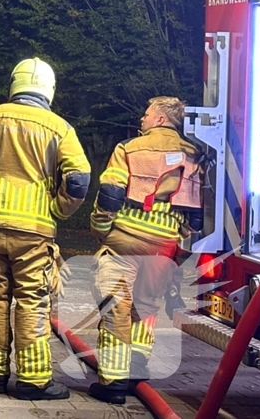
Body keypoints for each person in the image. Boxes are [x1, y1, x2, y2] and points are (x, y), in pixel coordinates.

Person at [0, 57, 91, 400]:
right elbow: (80, 180)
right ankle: (34, 381)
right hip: (35, 232)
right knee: (32, 302)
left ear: (15, 83)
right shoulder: (60, 128)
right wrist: (59, 209)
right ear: (49, 89)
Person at [88, 96, 203, 404]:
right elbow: (196, 213)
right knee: (147, 304)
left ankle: (112, 382)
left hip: (126, 239)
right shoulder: (195, 154)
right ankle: (136, 368)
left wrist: (101, 231)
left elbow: (111, 194)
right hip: (164, 245)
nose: (142, 119)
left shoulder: (129, 148)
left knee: (116, 305)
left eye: (146, 114)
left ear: (161, 119)